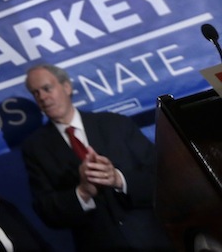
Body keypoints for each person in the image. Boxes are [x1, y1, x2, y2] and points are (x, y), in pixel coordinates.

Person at [20, 63, 173, 252]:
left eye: (46, 88)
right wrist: (83, 192)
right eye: (35, 93)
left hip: (154, 240)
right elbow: (46, 211)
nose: (42, 97)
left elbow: (163, 177)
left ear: (66, 87)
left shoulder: (115, 124)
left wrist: (118, 179)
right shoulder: (35, 148)